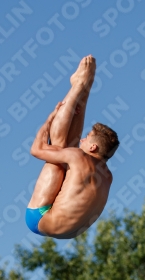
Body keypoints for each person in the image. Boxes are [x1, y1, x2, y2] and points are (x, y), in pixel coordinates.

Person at [25, 55, 119, 239]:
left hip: (39, 217)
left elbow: (36, 149)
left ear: (93, 147)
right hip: (70, 233)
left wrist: (49, 119)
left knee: (61, 146)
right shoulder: (108, 176)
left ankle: (79, 86)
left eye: (87, 138)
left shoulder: (78, 156)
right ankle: (83, 87)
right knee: (69, 150)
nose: (82, 139)